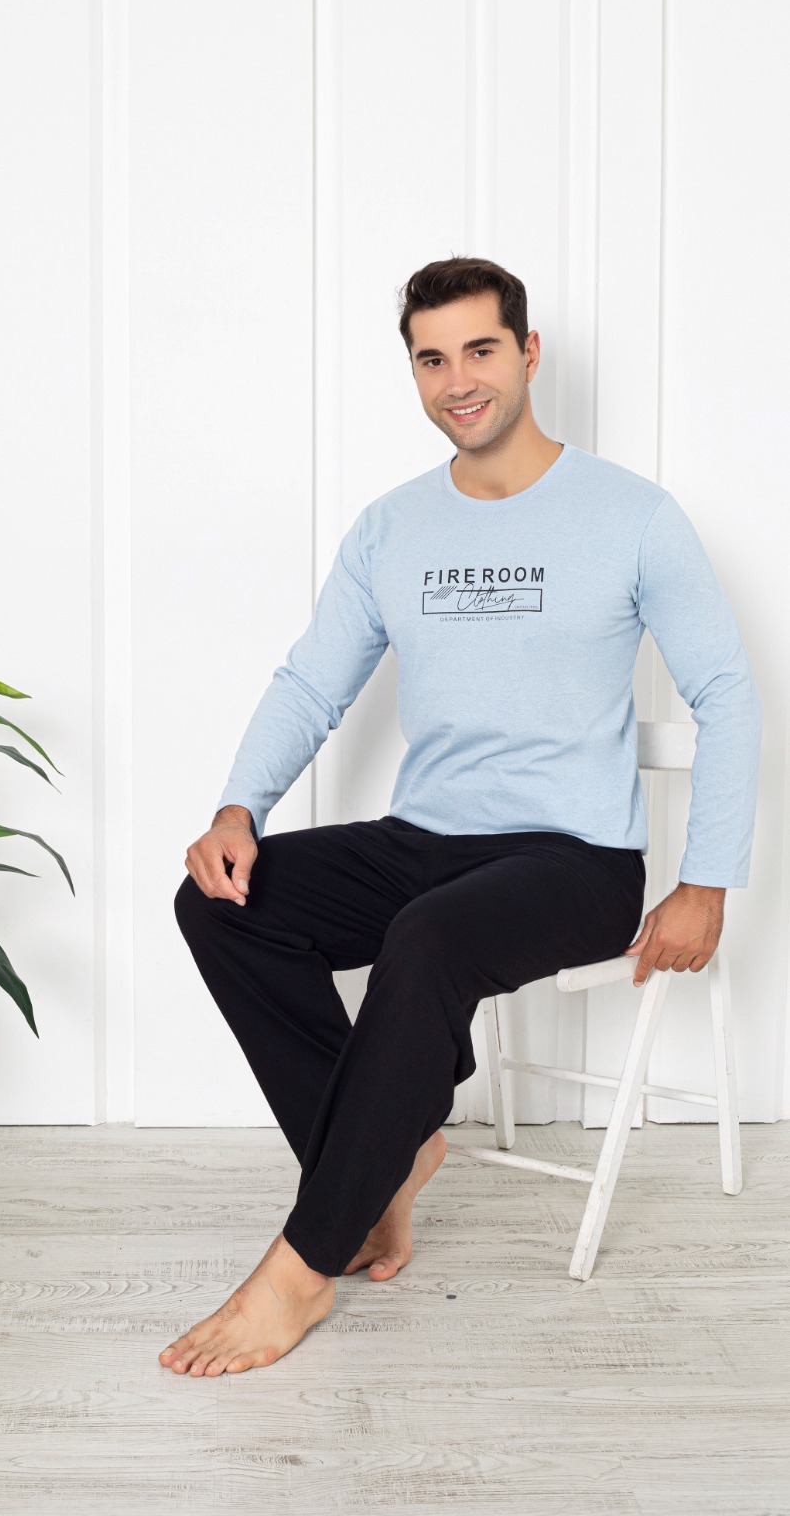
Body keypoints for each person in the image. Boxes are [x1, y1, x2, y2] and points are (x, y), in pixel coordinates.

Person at [158, 255, 763, 1379]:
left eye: (480, 350)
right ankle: (385, 1156)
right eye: (431, 359)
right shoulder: (392, 528)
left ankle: (301, 1267)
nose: (458, 381)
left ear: (528, 354)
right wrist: (238, 807)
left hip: (576, 859)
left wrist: (706, 878)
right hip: (423, 842)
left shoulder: (632, 514)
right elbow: (311, 683)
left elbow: (725, 692)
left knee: (425, 937)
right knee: (222, 903)